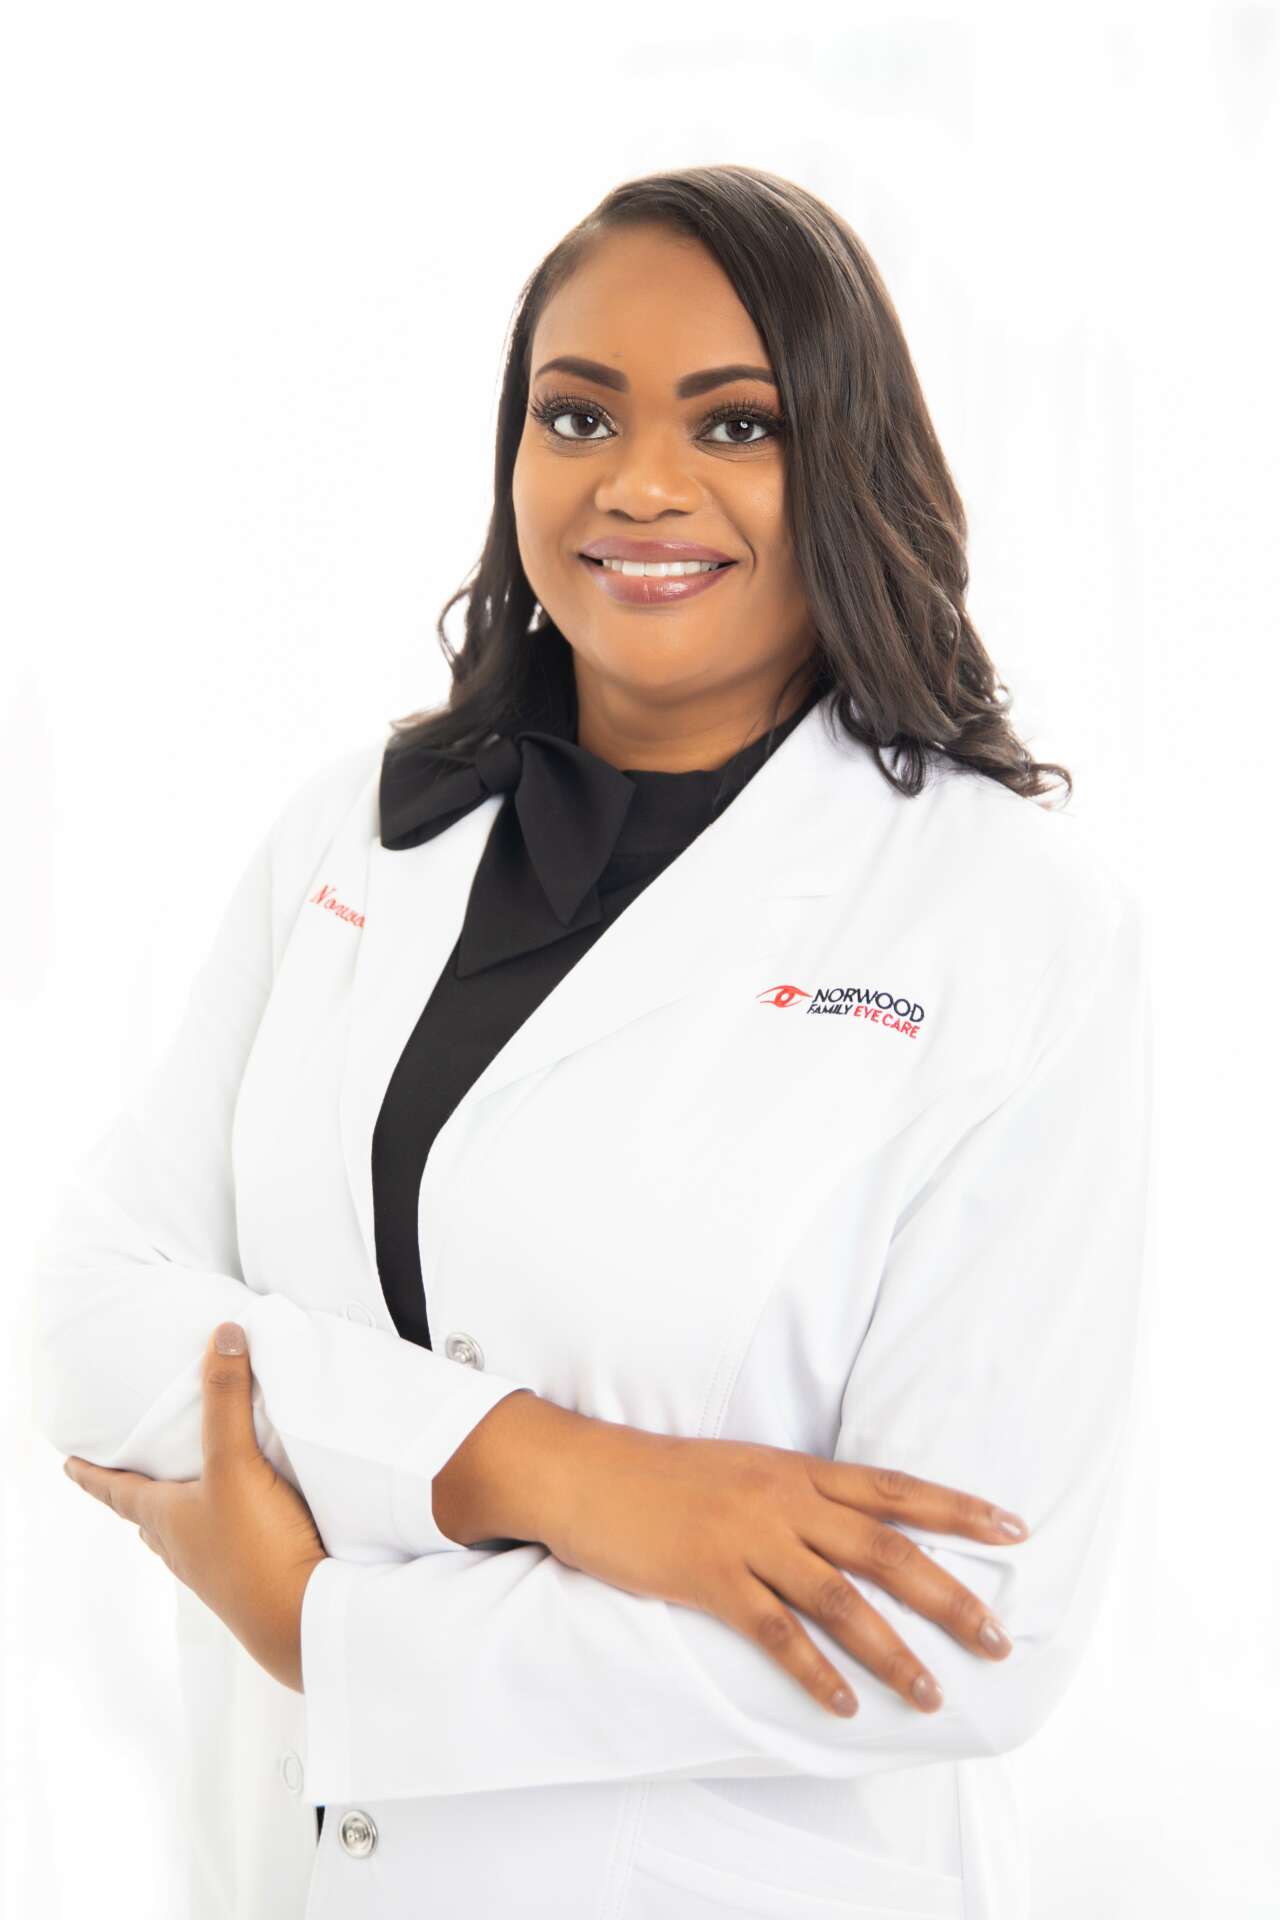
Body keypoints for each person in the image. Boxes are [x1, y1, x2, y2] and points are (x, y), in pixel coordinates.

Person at [31, 164, 1153, 1920]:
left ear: (847, 464)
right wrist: (563, 1475)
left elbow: (958, 1625)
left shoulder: (1007, 924)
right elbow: (92, 1311)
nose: (639, 483)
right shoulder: (358, 832)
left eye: (737, 425)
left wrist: (329, 1631)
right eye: (579, 415)